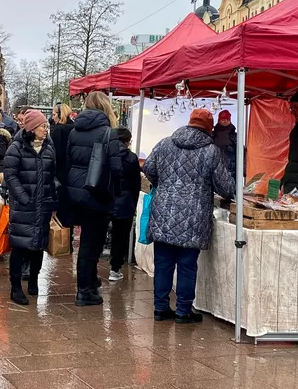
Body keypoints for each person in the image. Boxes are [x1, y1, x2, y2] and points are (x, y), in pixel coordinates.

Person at [143, 108, 235, 322]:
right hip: (194, 217)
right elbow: (226, 188)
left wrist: (163, 184)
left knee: (163, 263)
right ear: (209, 128)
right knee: (187, 265)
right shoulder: (211, 151)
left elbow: (148, 167)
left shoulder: (165, 143)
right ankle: (183, 311)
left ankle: (160, 308)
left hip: (163, 212)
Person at [65, 91, 123, 306]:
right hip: (98, 193)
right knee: (91, 244)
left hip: (76, 191)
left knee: (87, 243)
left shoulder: (74, 131)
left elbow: (70, 160)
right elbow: (116, 168)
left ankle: (89, 283)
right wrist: (116, 195)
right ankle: (84, 290)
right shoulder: (108, 133)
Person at [2, 109, 56, 305]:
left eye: (46, 126)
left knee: (39, 246)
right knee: (20, 246)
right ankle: (15, 287)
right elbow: (10, 175)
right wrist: (24, 198)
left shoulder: (49, 147)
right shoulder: (16, 148)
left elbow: (52, 176)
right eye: (43, 126)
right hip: (24, 206)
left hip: (43, 205)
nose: (46, 129)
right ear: (32, 128)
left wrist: (53, 199)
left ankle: (33, 279)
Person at [109, 127, 141, 282]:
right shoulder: (132, 158)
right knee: (120, 237)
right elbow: (136, 184)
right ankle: (115, 269)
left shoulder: (106, 154)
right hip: (125, 201)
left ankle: (93, 269)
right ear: (128, 141)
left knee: (99, 235)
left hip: (106, 199)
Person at [50, 103, 77, 233]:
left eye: (54, 114)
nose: (52, 118)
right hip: (74, 174)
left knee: (61, 210)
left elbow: (55, 154)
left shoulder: (58, 130)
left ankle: (63, 242)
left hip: (60, 175)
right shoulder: (75, 128)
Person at [212, 110, 237, 174]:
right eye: (223, 119)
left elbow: (242, 153)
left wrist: (243, 168)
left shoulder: (234, 135)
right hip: (215, 170)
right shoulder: (213, 135)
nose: (225, 121)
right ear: (219, 120)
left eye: (227, 119)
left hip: (231, 170)